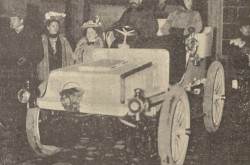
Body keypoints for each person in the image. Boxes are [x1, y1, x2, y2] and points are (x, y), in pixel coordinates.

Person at [37, 11, 75, 83]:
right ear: (48, 27)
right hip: (47, 69)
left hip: (60, 69)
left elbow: (70, 55)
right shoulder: (42, 39)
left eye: (57, 26)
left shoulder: (63, 40)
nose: (56, 28)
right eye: (53, 26)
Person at [229, 15, 250, 115]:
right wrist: (234, 80)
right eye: (245, 26)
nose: (248, 28)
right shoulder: (236, 42)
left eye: (249, 26)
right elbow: (232, 63)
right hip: (240, 76)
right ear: (240, 29)